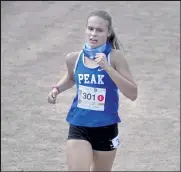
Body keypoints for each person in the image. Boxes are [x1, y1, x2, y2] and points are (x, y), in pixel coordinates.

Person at [47, 10, 138, 171]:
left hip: (106, 127)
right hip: (79, 124)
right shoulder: (73, 58)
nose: (93, 34)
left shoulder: (115, 57)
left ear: (108, 33)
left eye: (99, 30)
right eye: (90, 28)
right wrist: (56, 89)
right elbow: (71, 77)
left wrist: (108, 68)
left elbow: (132, 94)